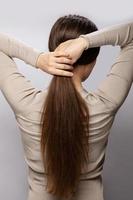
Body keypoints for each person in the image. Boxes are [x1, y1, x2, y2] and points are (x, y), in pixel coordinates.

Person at [0, 14, 133, 200]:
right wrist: (86, 42)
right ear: (92, 62)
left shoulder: (26, 103)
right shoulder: (104, 104)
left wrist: (38, 59)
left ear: (52, 51)